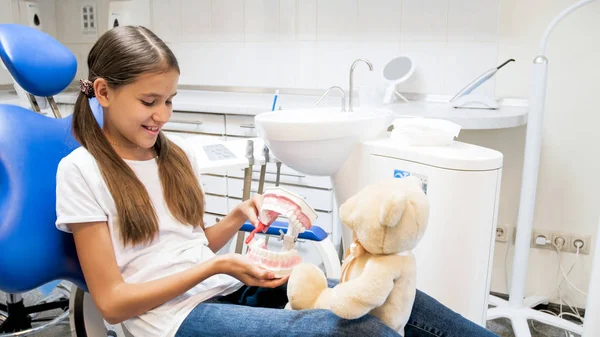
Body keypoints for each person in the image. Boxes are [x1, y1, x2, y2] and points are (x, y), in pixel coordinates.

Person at [55, 25, 499, 337]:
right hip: (169, 320)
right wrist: (215, 266)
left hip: (222, 289)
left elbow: (183, 247)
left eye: (170, 100)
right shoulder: (81, 171)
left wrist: (231, 222)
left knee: (384, 295)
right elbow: (112, 302)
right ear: (104, 92)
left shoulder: (175, 156)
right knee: (348, 330)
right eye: (149, 101)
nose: (163, 115)